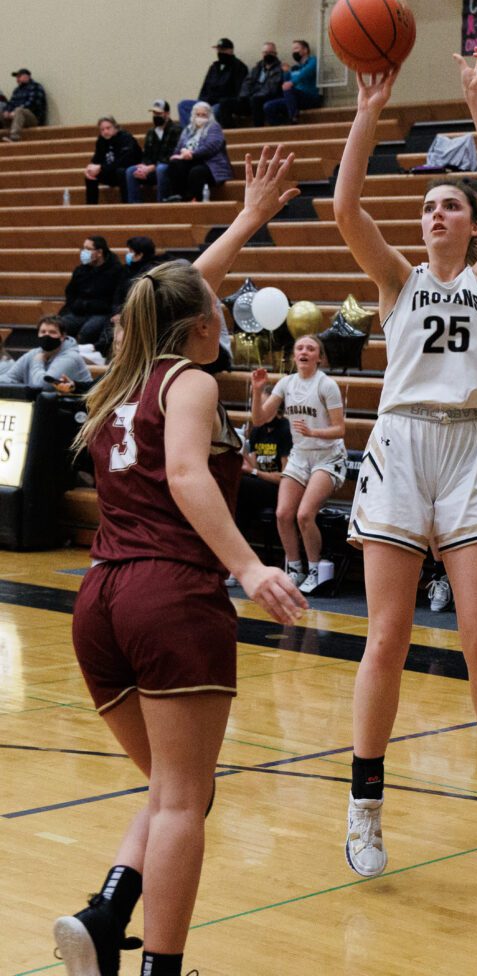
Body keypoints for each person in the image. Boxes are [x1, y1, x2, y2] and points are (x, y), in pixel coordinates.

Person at [52, 146, 306, 976]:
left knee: (175, 790)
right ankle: (161, 965)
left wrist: (246, 220)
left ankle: (105, 913)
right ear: (201, 326)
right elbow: (191, 476)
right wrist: (248, 567)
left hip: (99, 600)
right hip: (169, 593)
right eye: (218, 308)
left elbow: (173, 295)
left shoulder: (121, 382)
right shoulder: (190, 381)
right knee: (183, 801)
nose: (225, 312)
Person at [333, 43, 477, 877]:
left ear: (470, 221)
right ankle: (364, 808)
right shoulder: (395, 280)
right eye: (430, 208)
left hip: (463, 446)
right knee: (388, 634)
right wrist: (369, 113)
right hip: (399, 442)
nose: (437, 215)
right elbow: (345, 208)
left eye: (450, 205)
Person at [250, 335, 347, 594]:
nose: (304, 351)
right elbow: (259, 419)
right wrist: (257, 391)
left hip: (328, 456)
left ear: (319, 357)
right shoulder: (286, 383)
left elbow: (340, 429)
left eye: (310, 348)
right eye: (300, 348)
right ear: (294, 356)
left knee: (305, 514)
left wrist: (314, 433)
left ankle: (315, 569)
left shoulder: (326, 385)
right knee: (283, 514)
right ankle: (295, 568)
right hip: (300, 455)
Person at [226, 388, 293, 587]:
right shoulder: (257, 431)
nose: (258, 409)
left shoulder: (285, 430)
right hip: (258, 488)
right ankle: (236, 564)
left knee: (241, 489)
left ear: (275, 407)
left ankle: (235, 563)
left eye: (262, 405)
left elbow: (284, 477)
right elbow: (253, 466)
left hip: (281, 490)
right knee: (240, 498)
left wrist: (254, 472)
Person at [59, 236, 124, 345]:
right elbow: (70, 292)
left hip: (102, 313)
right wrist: (74, 306)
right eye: (83, 249)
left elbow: (117, 296)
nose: (84, 252)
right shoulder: (80, 270)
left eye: (88, 249)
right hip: (79, 312)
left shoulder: (115, 271)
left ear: (99, 252)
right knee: (58, 325)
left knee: (88, 331)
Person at [0, 314, 92, 389]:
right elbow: (9, 377)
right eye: (43, 332)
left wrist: (37, 362)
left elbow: (42, 386)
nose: (46, 336)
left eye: (52, 332)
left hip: (75, 407)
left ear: (63, 336)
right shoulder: (33, 353)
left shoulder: (71, 358)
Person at [167, 101, 232, 202]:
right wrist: (177, 155)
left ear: (209, 116)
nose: (200, 117)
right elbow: (178, 148)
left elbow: (211, 147)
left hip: (210, 163)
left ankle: (195, 198)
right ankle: (178, 196)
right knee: (175, 164)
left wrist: (191, 154)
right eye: (198, 114)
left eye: (203, 115)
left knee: (196, 172)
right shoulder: (188, 129)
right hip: (190, 161)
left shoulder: (214, 127)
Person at [177, 38, 248, 128]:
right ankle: (189, 132)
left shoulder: (239, 67)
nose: (219, 53)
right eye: (218, 50)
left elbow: (239, 91)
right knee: (183, 105)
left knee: (215, 111)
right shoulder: (214, 67)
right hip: (207, 102)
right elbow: (205, 88)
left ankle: (205, 135)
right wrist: (201, 104)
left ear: (230, 51)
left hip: (220, 104)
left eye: (222, 50)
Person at [126, 101, 182, 204]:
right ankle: (134, 207)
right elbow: (147, 154)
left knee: (161, 169)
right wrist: (143, 166)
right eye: (154, 114)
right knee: (131, 171)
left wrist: (152, 167)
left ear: (167, 114)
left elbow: (172, 154)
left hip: (167, 168)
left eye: (159, 114)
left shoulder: (176, 130)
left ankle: (161, 204)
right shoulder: (151, 132)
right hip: (151, 168)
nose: (156, 116)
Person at [221, 42, 283, 129]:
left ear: (275, 54)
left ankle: (258, 131)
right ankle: (232, 133)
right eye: (265, 52)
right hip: (250, 99)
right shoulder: (257, 67)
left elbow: (272, 88)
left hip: (265, 99)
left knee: (256, 100)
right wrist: (244, 96)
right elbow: (247, 83)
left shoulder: (280, 69)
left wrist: (254, 96)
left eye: (270, 52)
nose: (267, 55)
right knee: (225, 103)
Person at [84, 116, 142, 204]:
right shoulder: (101, 141)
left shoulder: (125, 138)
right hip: (110, 171)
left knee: (121, 171)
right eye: (102, 130)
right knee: (90, 176)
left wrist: (101, 168)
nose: (105, 132)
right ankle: (91, 207)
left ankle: (126, 204)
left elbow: (123, 161)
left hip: (128, 172)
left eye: (108, 128)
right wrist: (89, 169)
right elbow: (97, 159)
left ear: (115, 127)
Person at [264, 40, 322, 125]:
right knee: (268, 106)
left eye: (296, 48)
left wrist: (292, 82)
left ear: (305, 50)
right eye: (292, 49)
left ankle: (293, 118)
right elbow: (285, 84)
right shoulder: (294, 68)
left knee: (289, 88)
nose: (293, 51)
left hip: (310, 97)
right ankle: (280, 129)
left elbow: (305, 73)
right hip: (295, 100)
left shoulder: (313, 60)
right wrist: (286, 73)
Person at [0, 68, 47, 142]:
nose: (17, 79)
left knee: (19, 110)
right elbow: (11, 103)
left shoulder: (35, 87)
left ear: (27, 76)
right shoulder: (17, 90)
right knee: (1, 112)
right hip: (17, 118)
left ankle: (14, 137)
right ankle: (4, 136)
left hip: (33, 118)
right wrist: (7, 111)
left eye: (19, 77)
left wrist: (15, 112)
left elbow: (32, 104)